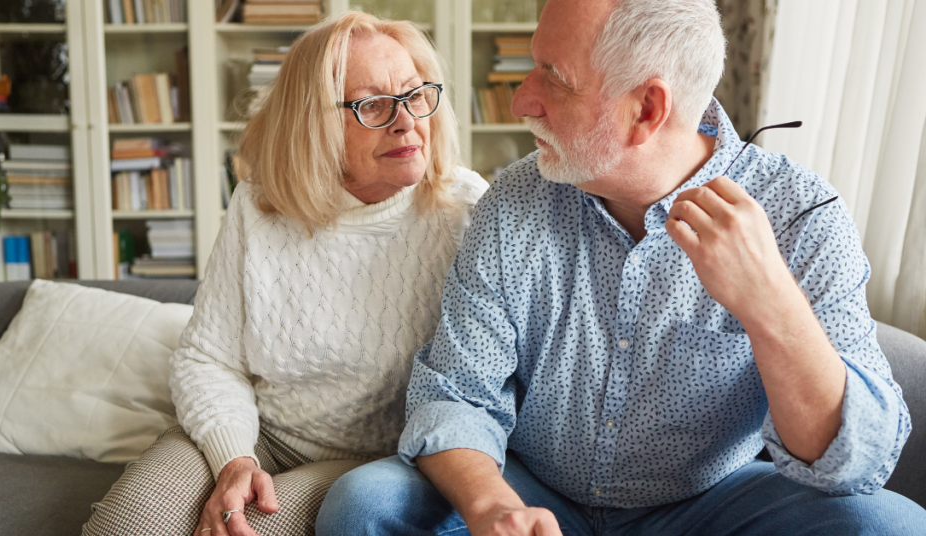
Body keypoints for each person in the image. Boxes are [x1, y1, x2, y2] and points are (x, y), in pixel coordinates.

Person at [316, 0, 926, 534]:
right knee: (363, 506)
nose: (522, 98)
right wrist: (491, 505)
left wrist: (771, 305)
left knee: (893, 526)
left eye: (553, 78)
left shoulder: (802, 215)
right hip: (534, 488)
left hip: (713, 502)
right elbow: (455, 394)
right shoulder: (513, 202)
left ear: (646, 109)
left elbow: (859, 461)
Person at [168, 11, 488, 536]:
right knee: (127, 522)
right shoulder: (258, 205)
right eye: (373, 105)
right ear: (312, 120)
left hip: (384, 462)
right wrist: (233, 457)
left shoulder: (468, 208)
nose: (406, 121)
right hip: (259, 432)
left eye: (415, 94)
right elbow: (209, 357)